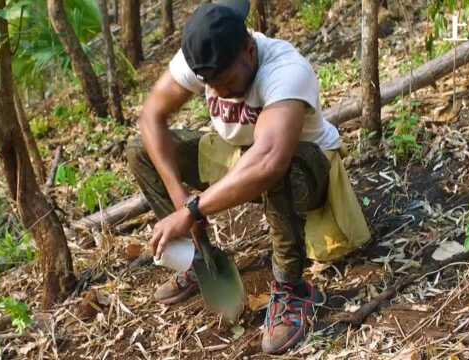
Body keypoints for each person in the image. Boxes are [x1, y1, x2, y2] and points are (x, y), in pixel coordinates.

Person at [125, 0, 348, 354]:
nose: (220, 91)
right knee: (141, 151)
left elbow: (268, 161)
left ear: (248, 50)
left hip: (308, 171)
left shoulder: (286, 69)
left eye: (227, 81)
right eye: (210, 85)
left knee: (276, 164)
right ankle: (200, 259)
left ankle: (292, 289)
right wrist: (178, 197)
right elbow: (152, 114)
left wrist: (192, 211)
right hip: (237, 154)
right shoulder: (204, 59)